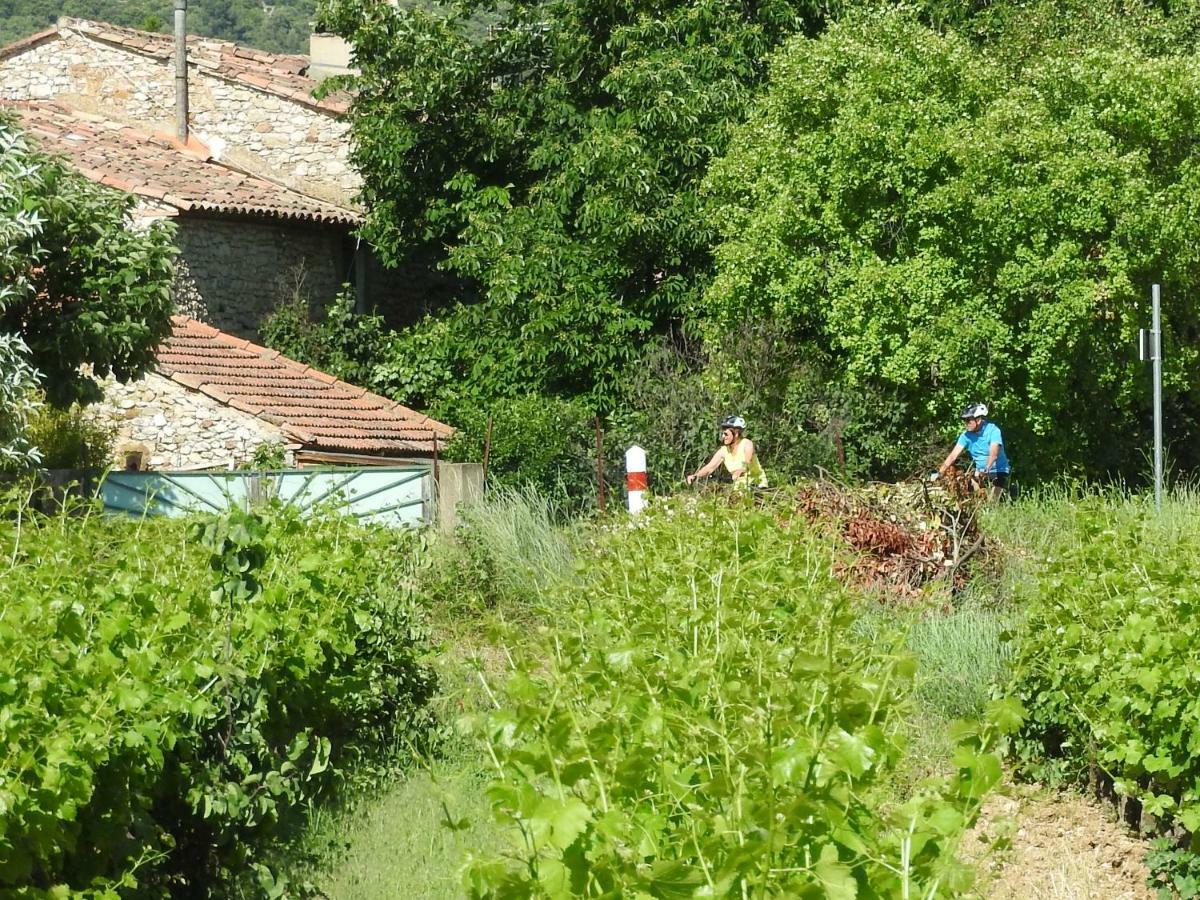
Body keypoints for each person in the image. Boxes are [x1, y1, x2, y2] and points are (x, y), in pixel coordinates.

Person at [936, 403, 1010, 497]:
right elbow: (953, 456)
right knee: (972, 497)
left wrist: (986, 469)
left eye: (968, 420)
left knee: (992, 503)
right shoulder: (966, 436)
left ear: (978, 420)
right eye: (964, 420)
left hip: (998, 471)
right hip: (979, 473)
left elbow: (993, 454)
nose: (966, 423)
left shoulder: (993, 430)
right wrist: (939, 473)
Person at [687, 415, 768, 489]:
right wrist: (695, 476)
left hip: (757, 485)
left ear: (736, 433)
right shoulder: (724, 451)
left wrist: (740, 471)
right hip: (740, 487)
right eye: (723, 434)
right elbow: (709, 468)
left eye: (726, 434)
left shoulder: (747, 444)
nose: (723, 437)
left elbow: (748, 461)